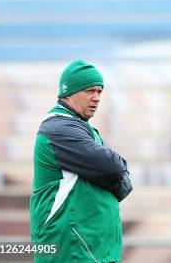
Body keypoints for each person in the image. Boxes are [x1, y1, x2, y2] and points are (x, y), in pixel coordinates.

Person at [30, 60, 132, 262]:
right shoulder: (59, 129)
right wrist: (115, 172)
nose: (96, 98)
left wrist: (115, 173)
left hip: (92, 250)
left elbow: (122, 184)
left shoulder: (83, 129)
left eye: (100, 92)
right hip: (73, 250)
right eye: (90, 91)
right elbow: (112, 167)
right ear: (68, 92)